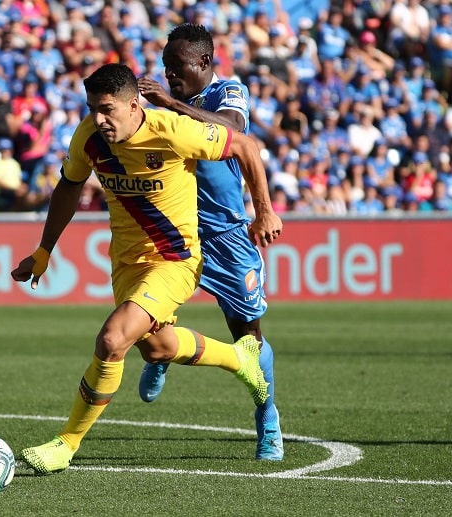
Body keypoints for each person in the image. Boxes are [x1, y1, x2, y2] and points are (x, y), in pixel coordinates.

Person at [11, 63, 280, 475]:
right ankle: (239, 360)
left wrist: (262, 211)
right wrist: (44, 250)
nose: (99, 120)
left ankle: (66, 444)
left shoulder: (173, 129)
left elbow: (245, 146)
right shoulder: (89, 135)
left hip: (175, 261)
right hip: (126, 263)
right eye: (92, 109)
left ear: (134, 105)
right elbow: (68, 185)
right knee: (157, 348)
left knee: (112, 339)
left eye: (107, 110)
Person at [137, 23, 284, 461]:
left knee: (248, 338)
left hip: (224, 235)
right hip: (173, 234)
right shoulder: (161, 108)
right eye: (165, 68)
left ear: (203, 61)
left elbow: (236, 133)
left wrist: (170, 104)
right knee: (144, 322)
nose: (169, 75)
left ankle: (268, 419)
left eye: (176, 66)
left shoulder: (227, 93)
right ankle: (159, 355)